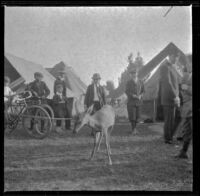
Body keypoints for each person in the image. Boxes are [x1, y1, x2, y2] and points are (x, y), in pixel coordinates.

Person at [160, 52, 180, 144]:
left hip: (174, 98)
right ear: (170, 56)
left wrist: (177, 96)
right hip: (169, 98)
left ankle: (169, 136)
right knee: (169, 119)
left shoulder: (172, 67)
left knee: (176, 117)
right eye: (175, 56)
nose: (176, 59)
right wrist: (175, 96)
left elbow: (175, 84)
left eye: (177, 57)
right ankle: (167, 138)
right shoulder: (165, 66)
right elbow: (168, 83)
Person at [175, 69, 192, 159]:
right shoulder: (182, 80)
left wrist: (188, 88)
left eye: (187, 71)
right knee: (187, 132)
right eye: (183, 70)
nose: (184, 73)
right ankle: (183, 152)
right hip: (186, 110)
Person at [125, 68, 145, 134]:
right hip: (131, 101)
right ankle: (133, 129)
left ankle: (135, 129)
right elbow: (127, 91)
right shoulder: (128, 82)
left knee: (137, 116)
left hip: (139, 101)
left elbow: (143, 91)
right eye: (132, 73)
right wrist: (132, 95)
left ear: (137, 73)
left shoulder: (141, 81)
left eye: (135, 73)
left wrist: (141, 95)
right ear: (131, 75)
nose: (134, 74)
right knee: (132, 116)